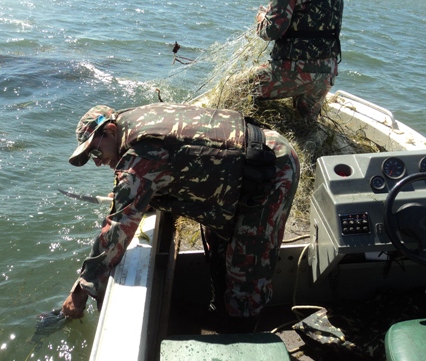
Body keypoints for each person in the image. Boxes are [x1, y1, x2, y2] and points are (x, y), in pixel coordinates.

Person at [61, 103, 300, 331]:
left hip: (272, 169)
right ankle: (223, 313)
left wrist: (82, 288)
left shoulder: (139, 153)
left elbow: (118, 226)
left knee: (247, 269)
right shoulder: (135, 120)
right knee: (218, 244)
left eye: (95, 150)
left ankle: (243, 339)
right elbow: (173, 159)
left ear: (111, 131)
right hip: (246, 163)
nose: (97, 161)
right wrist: (143, 194)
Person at [248, 0, 344, 121]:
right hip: (327, 73)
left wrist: (261, 17)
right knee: (305, 123)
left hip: (295, 71)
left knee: (238, 88)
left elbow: (270, 31)